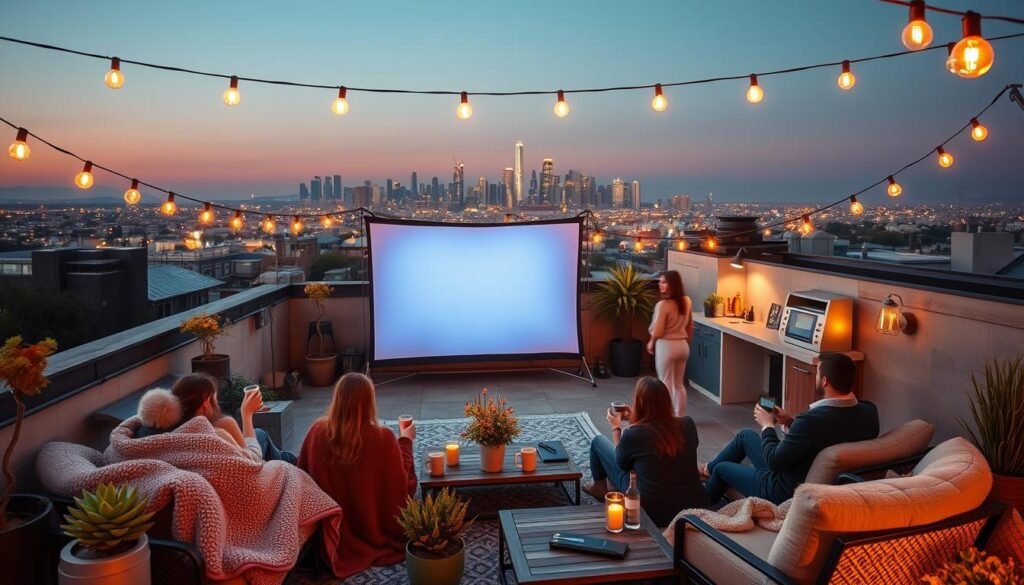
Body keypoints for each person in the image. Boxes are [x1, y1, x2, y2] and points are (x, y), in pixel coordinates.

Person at [701, 353, 879, 505]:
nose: (816, 377)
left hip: (782, 488)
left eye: (818, 373)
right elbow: (828, 433)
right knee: (745, 436)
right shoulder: (869, 412)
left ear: (825, 381)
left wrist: (768, 425)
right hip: (802, 470)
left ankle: (701, 503)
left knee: (722, 468)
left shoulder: (811, 421)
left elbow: (774, 462)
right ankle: (707, 469)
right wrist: (789, 421)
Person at [298, 372, 418, 579]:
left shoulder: (317, 432)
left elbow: (303, 477)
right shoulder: (384, 438)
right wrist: (405, 441)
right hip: (374, 532)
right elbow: (401, 488)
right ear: (370, 402)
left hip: (329, 529)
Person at [584, 377, 707, 526]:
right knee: (644, 460)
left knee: (598, 442)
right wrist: (637, 420)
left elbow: (621, 463)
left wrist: (616, 427)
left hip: (652, 511)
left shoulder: (634, 434)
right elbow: (658, 437)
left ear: (639, 403)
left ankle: (599, 487)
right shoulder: (687, 424)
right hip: (692, 506)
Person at [135, 373, 296, 463]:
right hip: (252, 461)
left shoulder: (168, 430)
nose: (217, 403)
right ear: (206, 403)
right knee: (263, 439)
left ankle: (291, 458)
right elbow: (253, 461)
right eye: (215, 398)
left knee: (260, 434)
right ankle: (293, 462)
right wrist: (246, 413)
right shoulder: (222, 427)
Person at [647, 270, 694, 417]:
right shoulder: (687, 301)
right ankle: (680, 417)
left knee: (665, 383)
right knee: (679, 385)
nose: (660, 284)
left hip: (666, 346)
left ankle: (666, 417)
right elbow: (690, 326)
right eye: (660, 281)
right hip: (682, 346)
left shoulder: (663, 305)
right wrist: (686, 343)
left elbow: (659, 331)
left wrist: (651, 341)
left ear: (672, 285)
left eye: (664, 282)